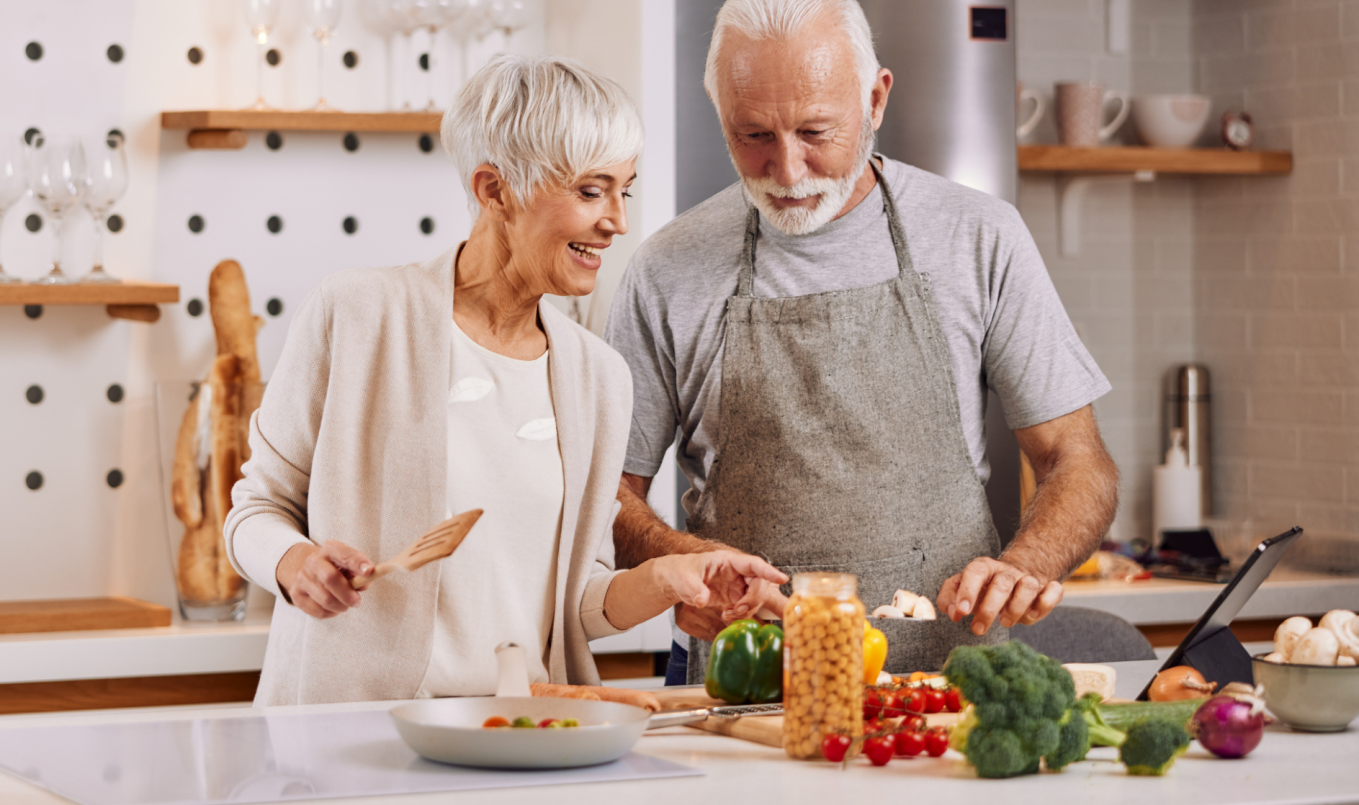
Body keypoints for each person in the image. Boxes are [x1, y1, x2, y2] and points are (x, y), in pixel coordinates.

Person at [225, 55, 786, 706]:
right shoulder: (355, 315)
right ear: (494, 190)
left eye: (622, 190)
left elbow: (578, 603)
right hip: (354, 737)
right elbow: (255, 510)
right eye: (588, 190)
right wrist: (295, 565)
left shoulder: (595, 375)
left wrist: (673, 576)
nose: (617, 221)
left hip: (521, 738)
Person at [604, 0, 1120, 685]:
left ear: (875, 99)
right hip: (750, 695)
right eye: (752, 133)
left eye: (815, 131)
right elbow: (604, 494)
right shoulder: (665, 269)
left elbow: (1078, 460)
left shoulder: (979, 237)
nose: (786, 171)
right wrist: (679, 565)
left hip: (950, 696)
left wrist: (1026, 566)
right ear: (716, 105)